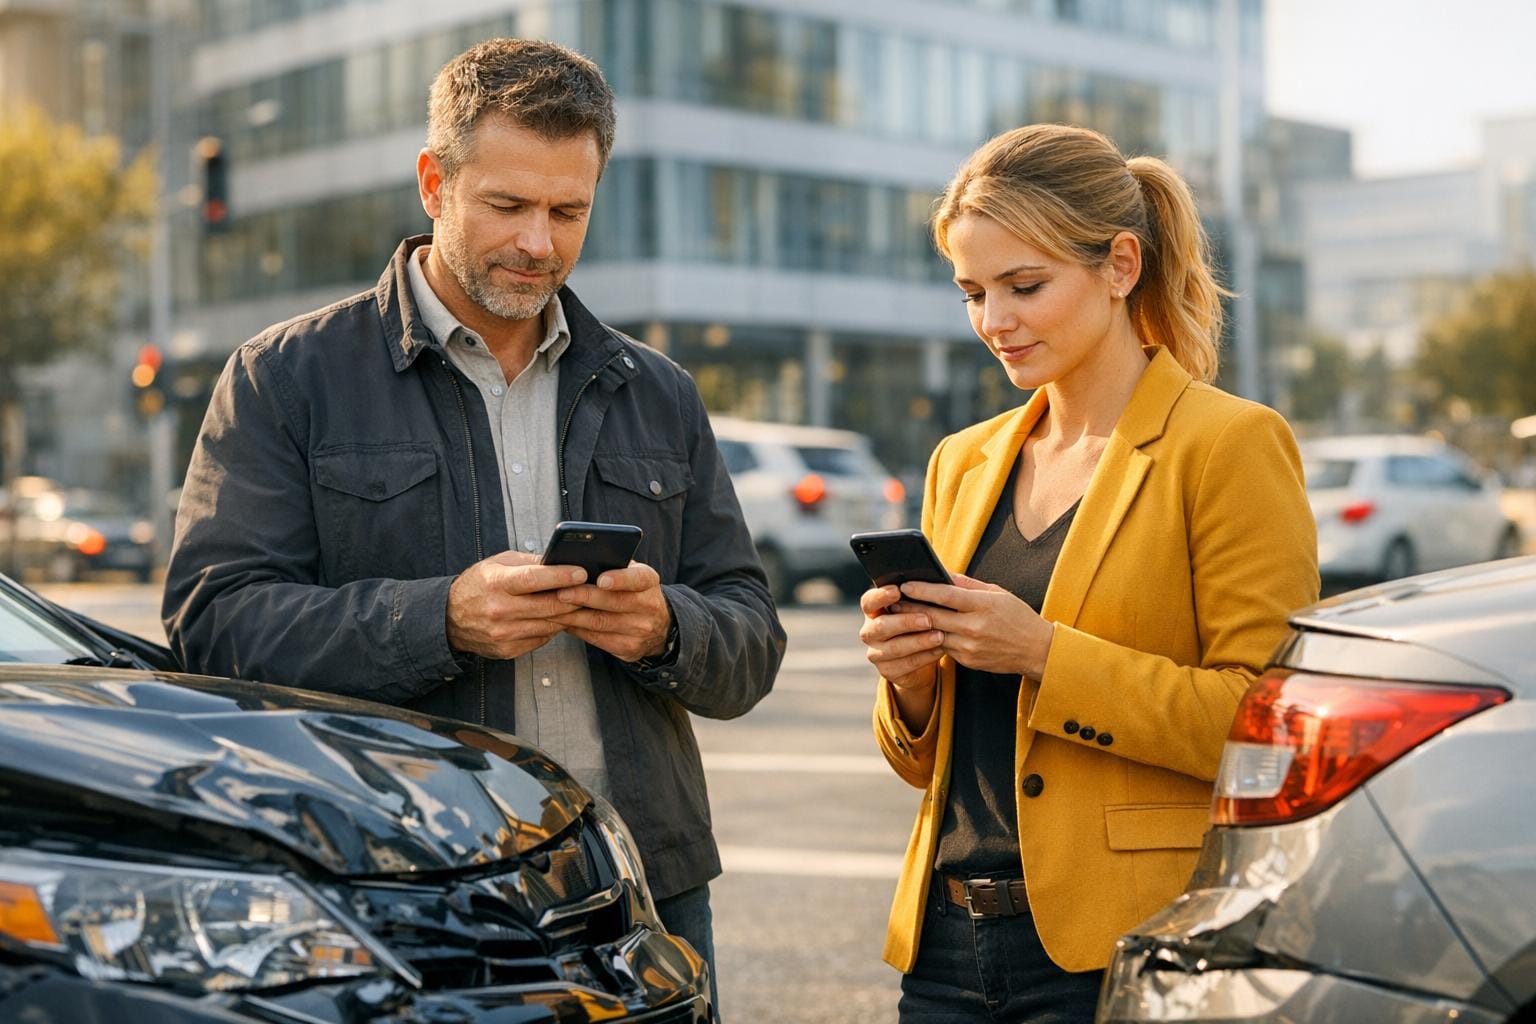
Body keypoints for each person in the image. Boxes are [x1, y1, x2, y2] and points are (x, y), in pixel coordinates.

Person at [162, 39, 785, 1013]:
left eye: (568, 212)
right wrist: (440, 620)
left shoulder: (658, 392)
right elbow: (214, 627)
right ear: (434, 183)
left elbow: (750, 637)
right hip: (403, 889)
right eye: (508, 205)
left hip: (642, 893)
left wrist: (666, 628)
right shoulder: (286, 378)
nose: (539, 242)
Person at [858, 124, 1319, 1023]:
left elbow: (1266, 725)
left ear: (1120, 265)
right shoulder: (961, 461)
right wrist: (908, 684)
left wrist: (1042, 652)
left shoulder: (1226, 445)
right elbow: (924, 761)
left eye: (1024, 286)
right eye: (973, 292)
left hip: (1126, 945)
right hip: (945, 948)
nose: (994, 321)